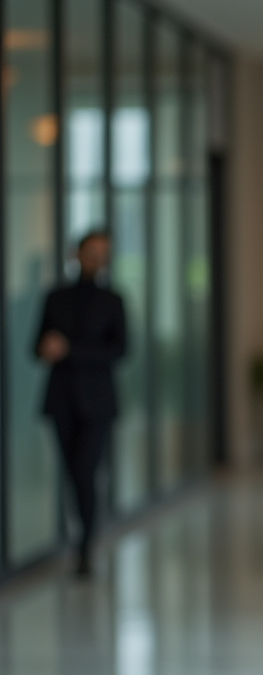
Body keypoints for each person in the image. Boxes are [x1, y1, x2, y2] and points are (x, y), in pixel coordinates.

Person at [35, 230, 127, 578]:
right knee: (74, 474)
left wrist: (72, 349)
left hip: (98, 400)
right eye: (92, 251)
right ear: (77, 253)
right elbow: (37, 346)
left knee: (87, 471)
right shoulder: (56, 297)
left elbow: (120, 350)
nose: (96, 259)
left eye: (104, 253)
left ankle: (85, 546)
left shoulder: (113, 300)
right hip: (61, 397)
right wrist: (48, 348)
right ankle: (81, 536)